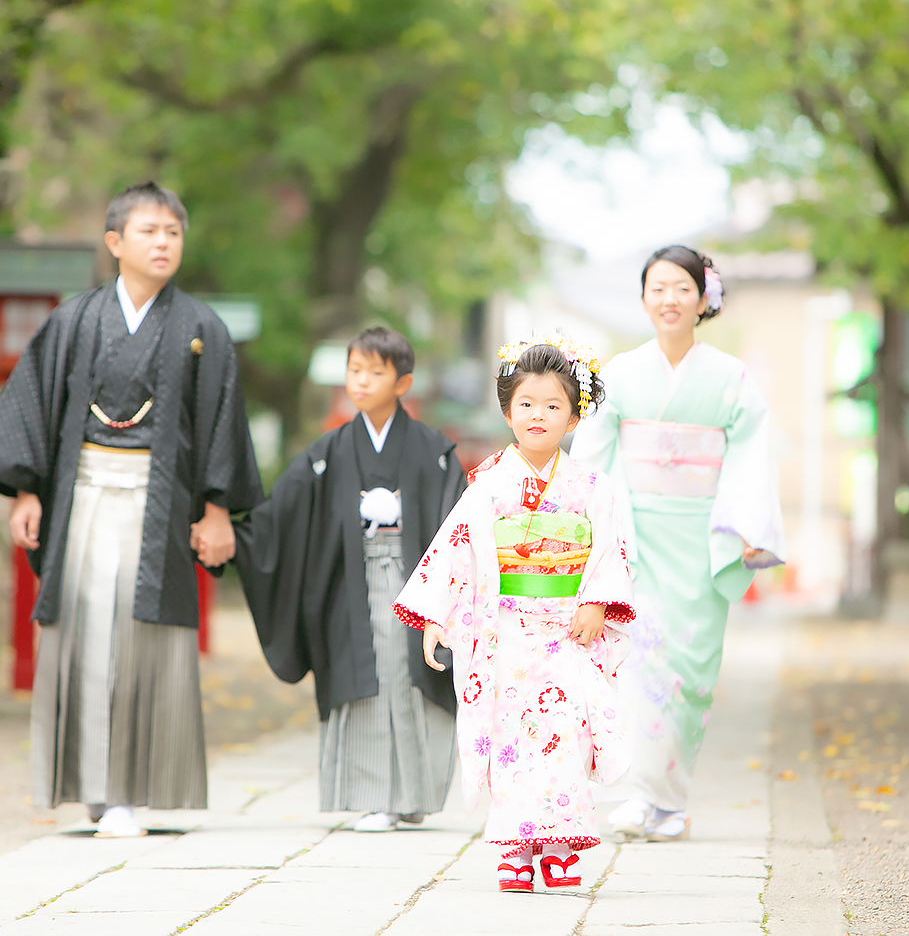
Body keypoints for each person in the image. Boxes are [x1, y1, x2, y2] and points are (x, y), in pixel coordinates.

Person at [0, 181, 262, 838]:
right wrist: (24, 490)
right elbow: (33, 409)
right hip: (83, 498)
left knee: (141, 641)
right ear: (114, 242)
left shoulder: (201, 329)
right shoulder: (73, 322)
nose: (162, 243)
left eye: (173, 233)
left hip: (160, 508)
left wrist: (216, 510)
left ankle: (130, 792)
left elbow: (220, 423)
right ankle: (91, 790)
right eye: (149, 231)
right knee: (83, 633)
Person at [393, 335, 636, 893]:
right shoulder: (487, 484)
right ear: (507, 411)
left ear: (573, 417)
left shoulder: (591, 487)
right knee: (510, 740)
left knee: (565, 736)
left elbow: (609, 551)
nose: (538, 415)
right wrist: (439, 615)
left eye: (554, 405)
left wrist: (597, 601)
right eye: (526, 403)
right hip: (505, 634)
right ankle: (517, 848)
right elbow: (458, 550)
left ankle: (559, 845)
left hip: (568, 631)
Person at [570, 245, 785, 842]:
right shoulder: (617, 374)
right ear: (643, 299)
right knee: (638, 666)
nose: (669, 299)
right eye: (658, 288)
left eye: (681, 288)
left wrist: (746, 527)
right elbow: (593, 456)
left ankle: (671, 800)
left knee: (689, 672)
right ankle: (644, 797)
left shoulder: (730, 378)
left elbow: (750, 453)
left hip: (702, 535)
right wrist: (594, 529)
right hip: (635, 535)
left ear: (702, 299)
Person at [234, 327, 464, 832]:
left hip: (417, 586)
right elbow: (280, 515)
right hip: (350, 588)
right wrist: (234, 535)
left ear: (402, 383)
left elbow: (457, 527)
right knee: (368, 680)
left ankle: (414, 794)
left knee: (411, 681)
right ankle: (374, 795)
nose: (360, 382)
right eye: (354, 371)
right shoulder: (328, 451)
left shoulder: (434, 451)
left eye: (374, 372)